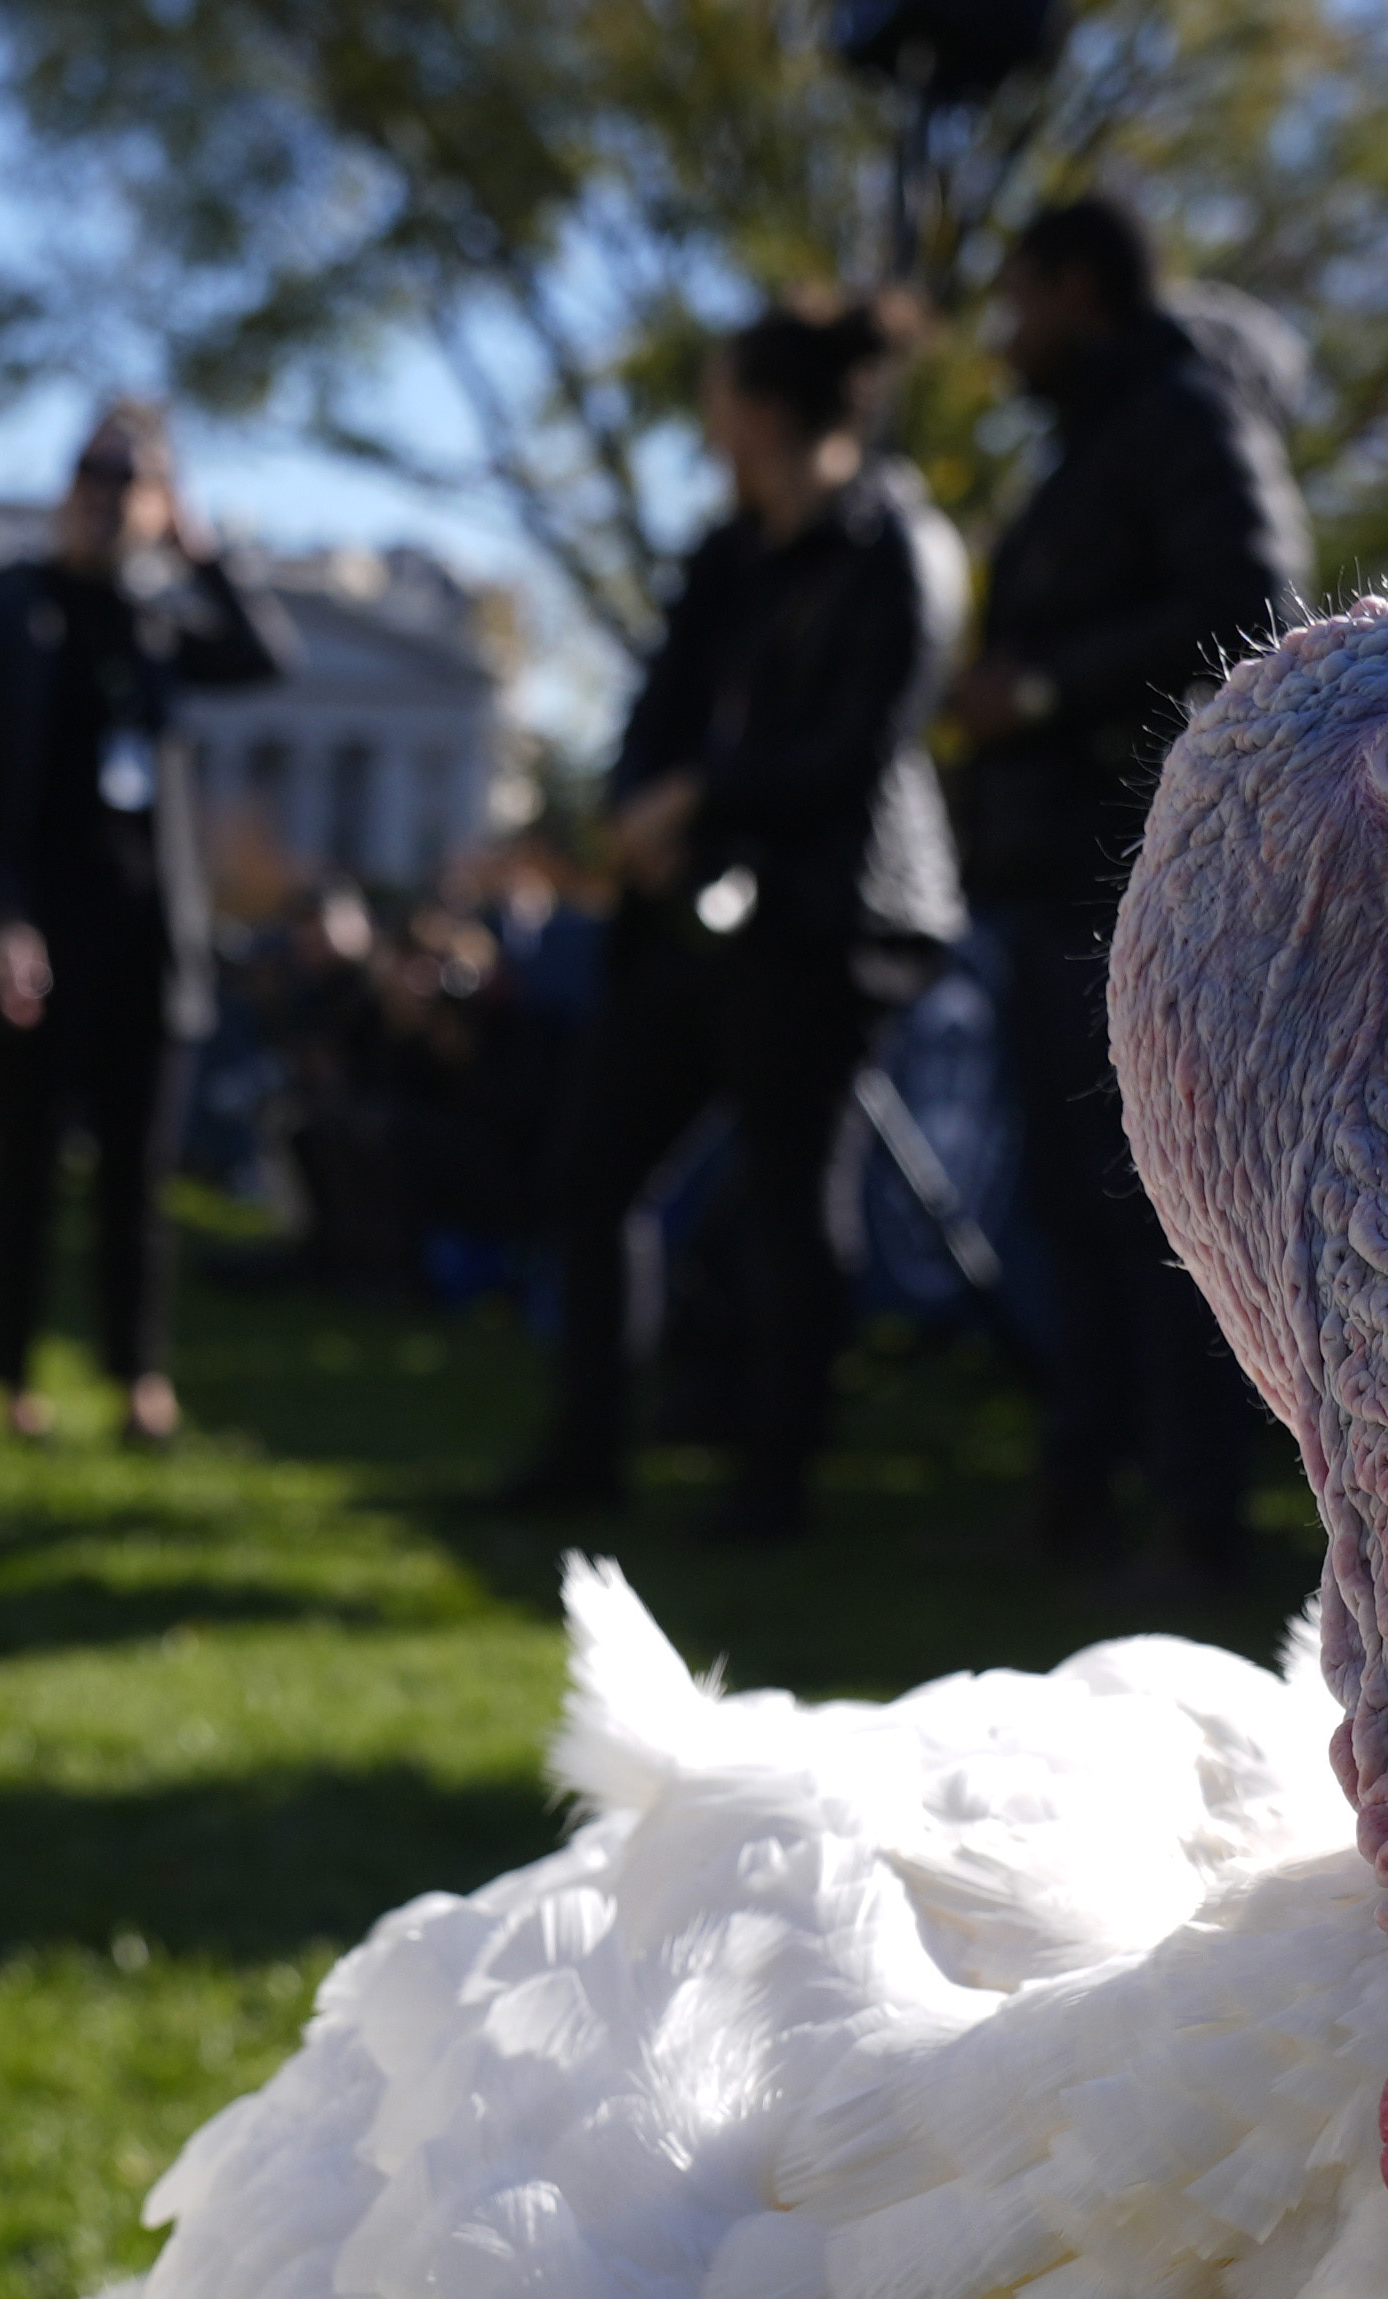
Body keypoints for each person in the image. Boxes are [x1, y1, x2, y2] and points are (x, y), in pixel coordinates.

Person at [499, 292, 967, 1543]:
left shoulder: (897, 549)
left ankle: (775, 1489)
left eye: (716, 398)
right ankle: (583, 1455)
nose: (704, 423)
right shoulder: (725, 554)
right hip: (693, 915)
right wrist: (637, 806)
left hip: (830, 917)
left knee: (789, 1199)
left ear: (759, 411)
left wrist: (698, 794)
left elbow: (855, 752)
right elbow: (654, 707)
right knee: (593, 1171)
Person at [949, 191, 1313, 1582]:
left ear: (1078, 284)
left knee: (1151, 1202)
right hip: (1055, 874)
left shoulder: (1181, 416)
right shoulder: (1095, 442)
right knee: (1068, 1198)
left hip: (1135, 881)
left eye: (1017, 299)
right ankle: (1084, 1483)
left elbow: (1253, 611)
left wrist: (1039, 688)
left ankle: (1196, 1512)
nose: (1002, 335)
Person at [0, 403, 296, 1445]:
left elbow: (265, 657)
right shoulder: (9, 606)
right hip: (42, 936)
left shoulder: (156, 625)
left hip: (150, 939)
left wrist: (203, 554)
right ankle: (12, 1376)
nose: (104, 496)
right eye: (90, 476)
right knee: (26, 1168)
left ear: (160, 501)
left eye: (129, 480)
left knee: (138, 1176)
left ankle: (140, 1375)